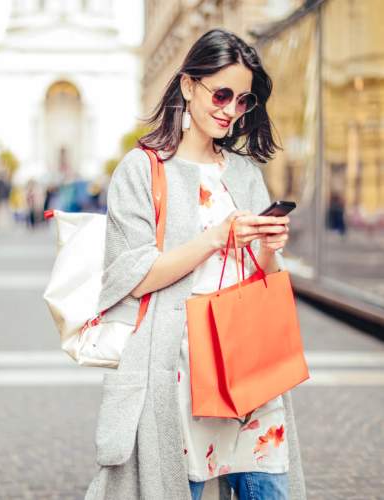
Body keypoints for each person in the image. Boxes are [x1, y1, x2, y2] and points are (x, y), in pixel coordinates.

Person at [85, 29, 305, 500]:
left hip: (249, 364)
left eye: (243, 101)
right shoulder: (143, 169)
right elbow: (131, 275)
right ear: (188, 85)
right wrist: (213, 239)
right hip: (178, 367)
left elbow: (268, 279)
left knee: (270, 487)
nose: (230, 110)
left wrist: (269, 247)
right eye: (221, 94)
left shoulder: (245, 173)